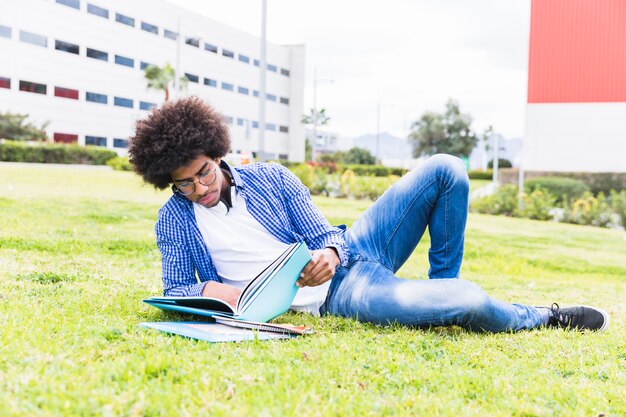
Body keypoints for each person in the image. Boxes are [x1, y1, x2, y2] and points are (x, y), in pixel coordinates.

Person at [128, 96, 609, 332]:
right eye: (184, 184)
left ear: (217, 152)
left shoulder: (272, 178)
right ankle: (543, 316)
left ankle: (440, 290)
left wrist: (331, 252)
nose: (199, 189)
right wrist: (218, 291)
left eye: (205, 174)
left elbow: (324, 233)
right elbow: (175, 290)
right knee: (470, 300)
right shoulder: (174, 219)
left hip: (353, 255)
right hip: (339, 294)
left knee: (446, 169)